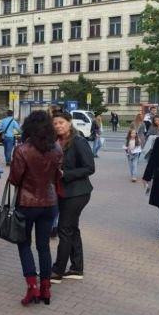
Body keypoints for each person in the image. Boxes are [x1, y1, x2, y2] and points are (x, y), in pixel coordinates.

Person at [8, 110, 62, 306]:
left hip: (27, 203)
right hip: (50, 203)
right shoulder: (56, 149)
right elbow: (56, 176)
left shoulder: (22, 150)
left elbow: (14, 179)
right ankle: (46, 288)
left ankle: (32, 287)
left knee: (23, 244)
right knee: (43, 246)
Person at [51, 112, 95, 283]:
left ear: (69, 123)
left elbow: (89, 167)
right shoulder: (56, 141)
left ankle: (57, 271)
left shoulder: (78, 141)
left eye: (61, 122)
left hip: (77, 192)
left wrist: (65, 174)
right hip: (63, 191)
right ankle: (76, 268)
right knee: (72, 229)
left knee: (65, 229)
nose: (58, 126)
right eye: (55, 123)